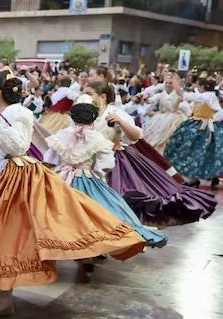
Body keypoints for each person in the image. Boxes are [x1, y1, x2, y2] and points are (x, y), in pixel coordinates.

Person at [0, 71, 145, 317]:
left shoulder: (19, 114)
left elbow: (17, 147)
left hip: (6, 182)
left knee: (1, 239)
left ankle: (3, 299)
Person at [44, 102, 165, 282]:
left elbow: (50, 159)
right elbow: (106, 165)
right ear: (94, 119)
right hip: (87, 180)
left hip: (60, 178)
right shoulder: (98, 139)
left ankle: (54, 249)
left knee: (57, 214)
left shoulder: (61, 135)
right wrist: (97, 172)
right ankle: (87, 254)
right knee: (95, 216)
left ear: (71, 116)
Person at [81, 79, 215, 226]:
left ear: (103, 96)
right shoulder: (84, 113)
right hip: (88, 160)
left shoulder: (116, 113)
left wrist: (121, 122)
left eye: (89, 93)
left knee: (118, 198)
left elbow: (136, 136)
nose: (84, 96)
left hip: (113, 161)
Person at [165, 76, 223, 189]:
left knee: (194, 150)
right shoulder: (209, 96)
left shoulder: (208, 95)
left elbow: (189, 96)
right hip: (200, 124)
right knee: (204, 152)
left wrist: (177, 87)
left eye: (198, 86)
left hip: (203, 127)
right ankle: (207, 176)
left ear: (202, 86)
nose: (197, 87)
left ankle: (195, 178)